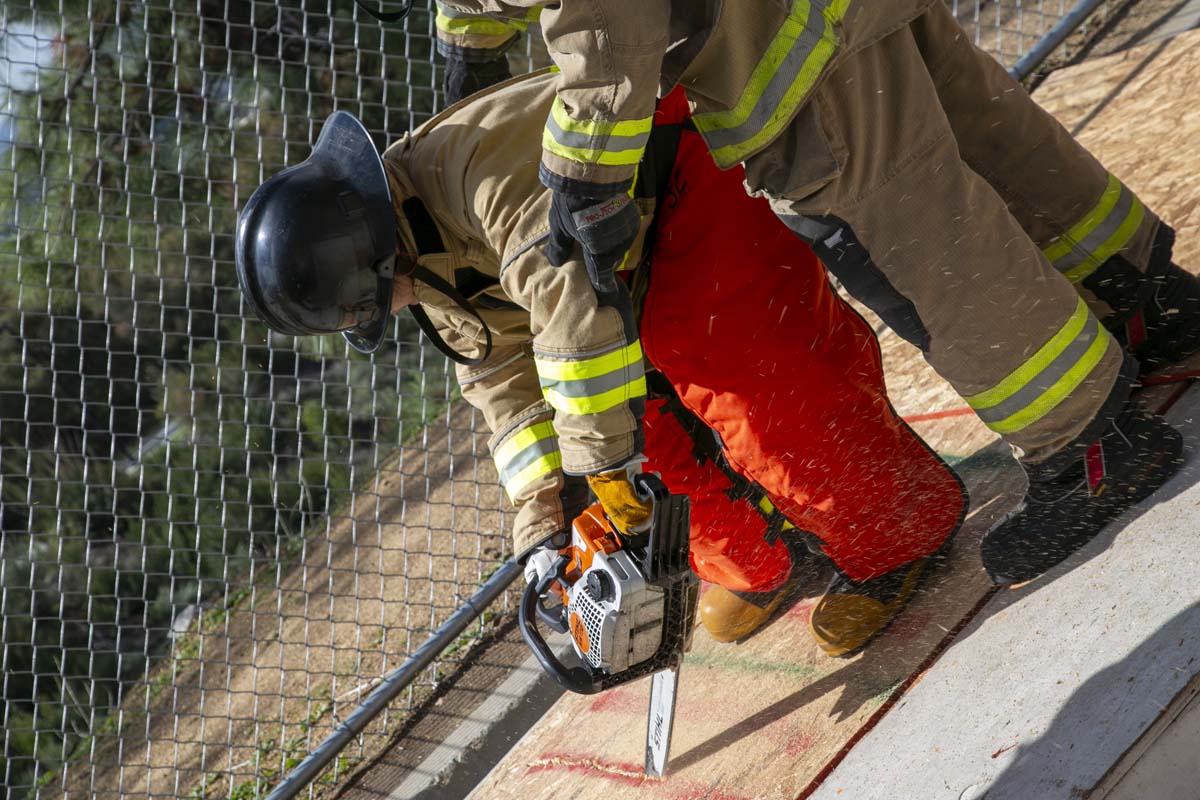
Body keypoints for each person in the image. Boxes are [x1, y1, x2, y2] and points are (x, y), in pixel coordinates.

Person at [433, 0, 1199, 587]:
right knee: (979, 133)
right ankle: (1151, 306)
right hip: (823, 15)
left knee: (917, 237)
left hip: (781, 41)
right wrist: (463, 40)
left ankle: (1090, 449)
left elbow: (605, 23)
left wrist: (585, 164)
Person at [234, 72, 967, 656]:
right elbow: (499, 376)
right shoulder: (406, 244)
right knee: (635, 446)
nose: (392, 310)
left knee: (740, 369)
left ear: (368, 253)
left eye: (378, 299)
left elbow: (571, 322)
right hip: (616, 264)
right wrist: (543, 519)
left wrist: (604, 474)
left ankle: (897, 533)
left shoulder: (477, 180)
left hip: (680, 174)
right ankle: (761, 562)